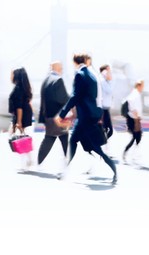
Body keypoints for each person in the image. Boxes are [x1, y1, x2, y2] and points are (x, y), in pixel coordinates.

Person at [54, 53, 117, 183]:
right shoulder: (92, 75)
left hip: (84, 118)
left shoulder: (79, 74)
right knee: (89, 146)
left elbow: (75, 96)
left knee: (79, 143)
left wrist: (62, 114)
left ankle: (64, 170)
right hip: (91, 115)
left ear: (75, 62)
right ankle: (112, 167)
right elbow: (93, 97)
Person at [37, 61, 70, 166]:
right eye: (61, 68)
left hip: (47, 117)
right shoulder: (58, 80)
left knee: (54, 138)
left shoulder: (45, 80)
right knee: (56, 139)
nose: (62, 70)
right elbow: (63, 99)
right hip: (58, 118)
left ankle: (39, 162)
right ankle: (68, 163)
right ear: (58, 68)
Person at [9, 67, 35, 171]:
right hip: (25, 114)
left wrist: (19, 122)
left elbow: (19, 106)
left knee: (21, 140)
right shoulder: (23, 87)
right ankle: (29, 160)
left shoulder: (18, 88)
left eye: (11, 74)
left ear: (16, 76)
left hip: (22, 115)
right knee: (22, 139)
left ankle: (25, 164)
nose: (10, 77)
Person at [122, 80, 144, 164]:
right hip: (133, 119)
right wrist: (135, 113)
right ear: (139, 86)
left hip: (135, 118)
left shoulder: (136, 93)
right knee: (135, 137)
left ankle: (134, 154)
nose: (142, 88)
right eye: (142, 86)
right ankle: (127, 153)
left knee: (138, 136)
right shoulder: (135, 93)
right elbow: (130, 102)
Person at [99, 64, 114, 140]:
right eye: (108, 70)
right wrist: (109, 79)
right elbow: (110, 91)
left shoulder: (106, 81)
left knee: (109, 131)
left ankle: (98, 144)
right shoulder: (102, 81)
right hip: (102, 109)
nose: (110, 72)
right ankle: (97, 144)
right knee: (104, 130)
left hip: (106, 109)